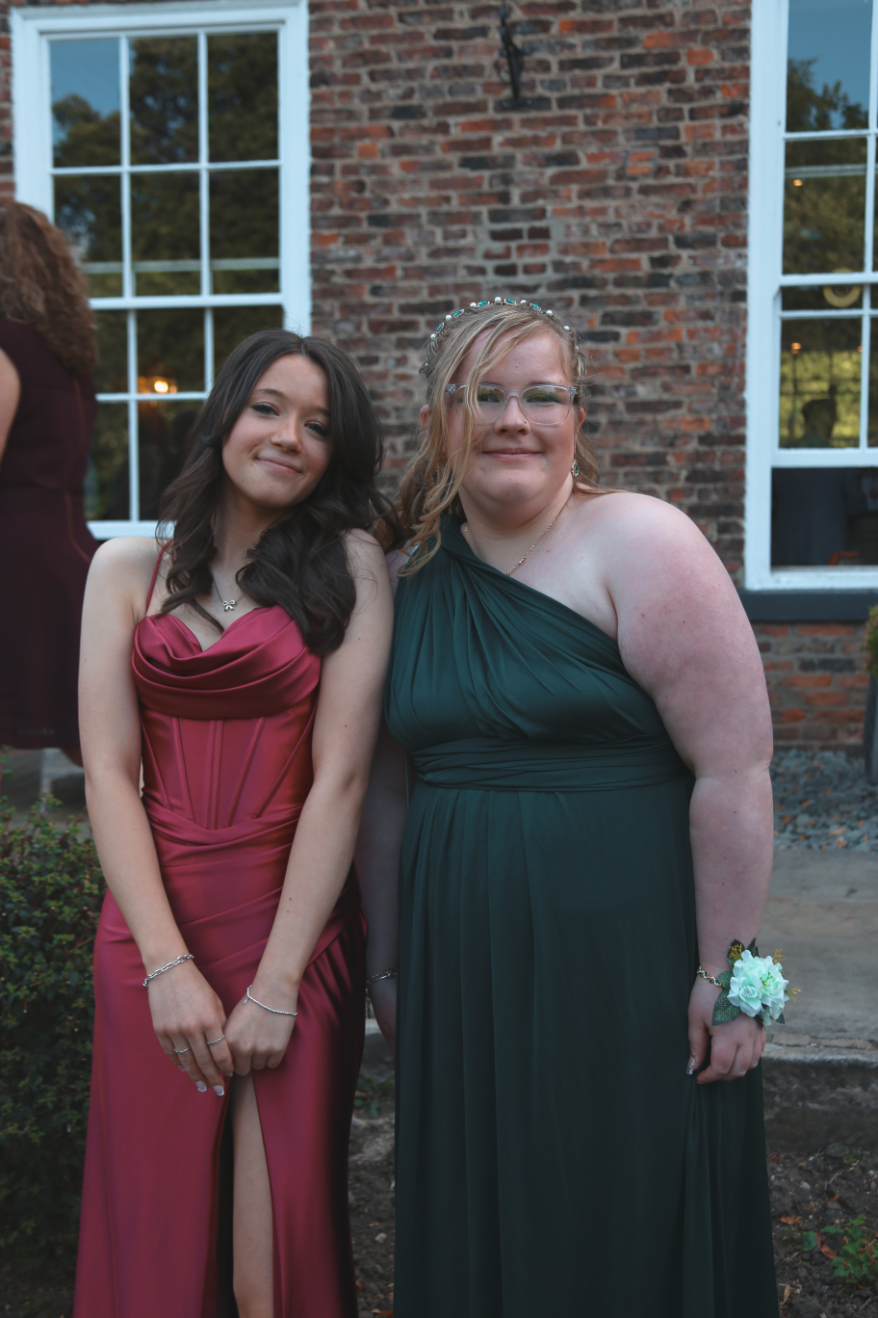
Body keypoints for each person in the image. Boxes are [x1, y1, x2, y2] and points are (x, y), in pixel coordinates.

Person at [358, 299, 779, 1316]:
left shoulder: (641, 540)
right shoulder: (404, 580)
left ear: (577, 417)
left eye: (541, 396)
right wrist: (388, 966)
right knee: (490, 1194)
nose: (514, 419)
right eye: (482, 395)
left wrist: (729, 978)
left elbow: (734, 769)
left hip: (629, 960)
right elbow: (384, 790)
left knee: (625, 1186)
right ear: (439, 419)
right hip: (461, 968)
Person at [75, 329, 396, 1318]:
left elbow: (342, 780)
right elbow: (108, 772)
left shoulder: (350, 565)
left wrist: (278, 983)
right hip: (152, 932)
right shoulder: (125, 569)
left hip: (291, 931)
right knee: (157, 1248)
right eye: (269, 408)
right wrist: (165, 966)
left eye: (318, 426)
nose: (289, 437)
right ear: (224, 416)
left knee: (275, 1271)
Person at [0, 201, 98, 762]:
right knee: (85, 738)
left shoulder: (5, 347)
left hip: (14, 559)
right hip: (69, 551)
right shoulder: (70, 359)